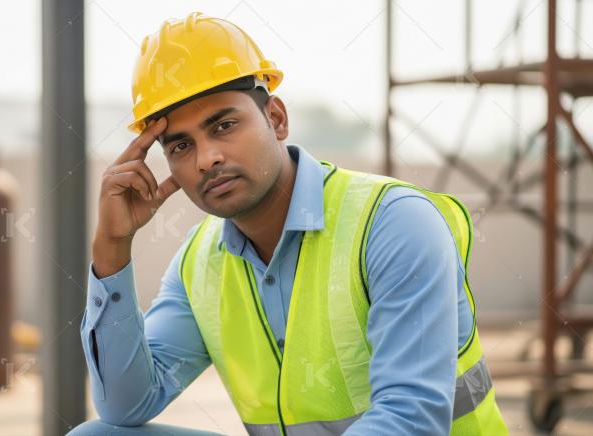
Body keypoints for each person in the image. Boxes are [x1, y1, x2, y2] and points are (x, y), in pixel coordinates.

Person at [69, 12, 507, 436]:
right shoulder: (200, 263)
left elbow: (411, 419)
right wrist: (112, 247)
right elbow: (125, 407)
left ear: (276, 119)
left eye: (223, 125)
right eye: (181, 146)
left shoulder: (392, 223)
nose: (207, 159)